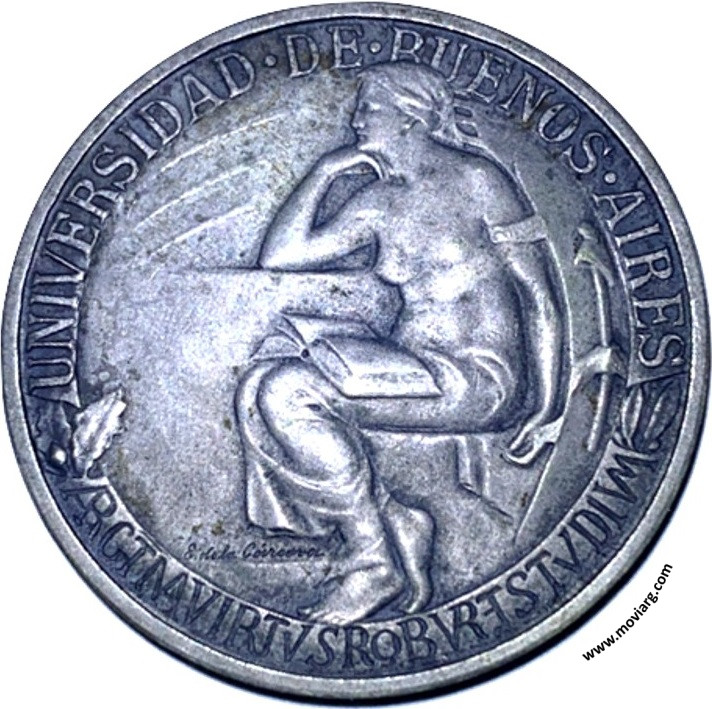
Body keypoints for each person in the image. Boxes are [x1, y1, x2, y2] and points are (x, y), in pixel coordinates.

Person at [236, 62, 563, 624]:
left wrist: (547, 406)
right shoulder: (376, 201)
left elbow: (539, 296)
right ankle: (392, 519)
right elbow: (281, 256)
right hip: (411, 367)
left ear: (412, 117)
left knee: (287, 393)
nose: (355, 120)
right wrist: (324, 171)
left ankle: (373, 562)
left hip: (477, 376)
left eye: (370, 108)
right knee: (260, 380)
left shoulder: (479, 180)